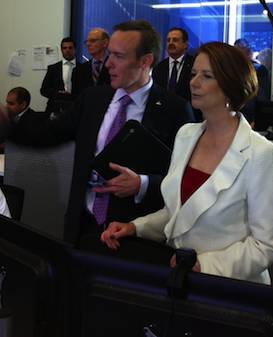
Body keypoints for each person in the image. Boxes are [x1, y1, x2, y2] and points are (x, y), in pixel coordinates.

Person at [101, 41, 273, 285]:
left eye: (206, 76)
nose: (194, 82)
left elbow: (268, 244)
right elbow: (178, 214)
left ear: (231, 85)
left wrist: (206, 265)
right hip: (180, 279)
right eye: (193, 73)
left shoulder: (260, 153)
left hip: (229, 286)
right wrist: (136, 227)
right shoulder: (186, 135)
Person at [4, 20, 195, 246]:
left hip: (134, 236)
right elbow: (47, 133)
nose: (108, 64)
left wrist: (143, 184)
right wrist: (8, 123)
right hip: (82, 226)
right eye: (109, 54)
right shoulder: (93, 99)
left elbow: (185, 181)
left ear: (145, 61)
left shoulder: (174, 110)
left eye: (119, 56)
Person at [234, 38, 270, 126]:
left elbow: (262, 98)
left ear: (248, 51)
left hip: (251, 117)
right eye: (235, 52)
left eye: (240, 51)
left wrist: (256, 120)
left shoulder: (260, 70)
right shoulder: (231, 70)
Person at [152, 27, 194, 102]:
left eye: (175, 40)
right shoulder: (159, 67)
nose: (171, 43)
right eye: (168, 40)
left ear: (185, 44)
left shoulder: (194, 64)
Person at [40, 37, 78, 115]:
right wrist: (58, 93)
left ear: (75, 49)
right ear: (61, 50)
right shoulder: (53, 68)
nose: (67, 50)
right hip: (54, 108)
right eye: (65, 48)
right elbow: (43, 90)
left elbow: (85, 90)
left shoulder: (83, 68)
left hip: (75, 108)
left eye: (70, 48)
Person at [71, 27, 111, 97]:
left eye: (93, 41)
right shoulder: (78, 70)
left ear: (105, 42)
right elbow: (76, 98)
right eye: (86, 41)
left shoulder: (115, 67)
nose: (88, 44)